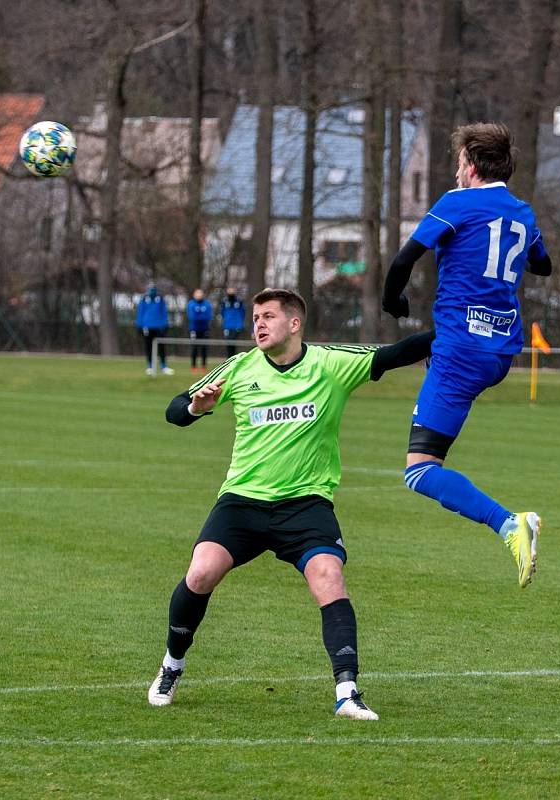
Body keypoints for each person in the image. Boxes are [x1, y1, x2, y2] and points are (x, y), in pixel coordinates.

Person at [149, 288, 435, 719]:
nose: (258, 325)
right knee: (201, 571)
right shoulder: (240, 368)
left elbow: (395, 353)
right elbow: (173, 411)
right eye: (255, 318)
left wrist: (452, 329)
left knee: (328, 576)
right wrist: (195, 406)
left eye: (267, 316)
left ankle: (347, 692)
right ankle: (172, 665)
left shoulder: (331, 363)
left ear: (294, 323)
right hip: (243, 502)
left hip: (305, 504)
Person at [382, 122, 553, 589]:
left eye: (459, 162)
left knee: (419, 471)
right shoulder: (522, 212)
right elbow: (543, 264)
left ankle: (510, 524)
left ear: (472, 166)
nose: (456, 171)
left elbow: (402, 262)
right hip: (500, 351)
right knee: (431, 356)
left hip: (460, 351)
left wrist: (393, 301)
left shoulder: (456, 203)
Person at [135, 283, 174, 376]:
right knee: (148, 347)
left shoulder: (160, 300)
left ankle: (163, 366)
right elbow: (140, 313)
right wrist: (140, 325)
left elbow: (164, 313)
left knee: (161, 348)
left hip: (159, 327)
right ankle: (150, 366)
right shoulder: (144, 300)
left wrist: (165, 325)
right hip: (147, 327)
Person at [186, 288, 213, 373]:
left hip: (205, 329)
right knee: (194, 348)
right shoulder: (191, 304)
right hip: (194, 329)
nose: (199, 295)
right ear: (194, 295)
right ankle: (193, 366)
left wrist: (199, 316)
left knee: (204, 348)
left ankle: (203, 366)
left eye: (200, 294)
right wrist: (201, 316)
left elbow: (208, 316)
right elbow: (191, 316)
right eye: (197, 294)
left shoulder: (207, 304)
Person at [218, 287, 246, 357]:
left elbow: (243, 312)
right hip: (227, 326)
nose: (231, 292)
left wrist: (239, 322)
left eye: (232, 290)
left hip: (237, 325)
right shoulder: (224, 301)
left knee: (234, 342)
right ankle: (229, 359)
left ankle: (233, 358)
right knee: (228, 343)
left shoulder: (239, 301)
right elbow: (222, 312)